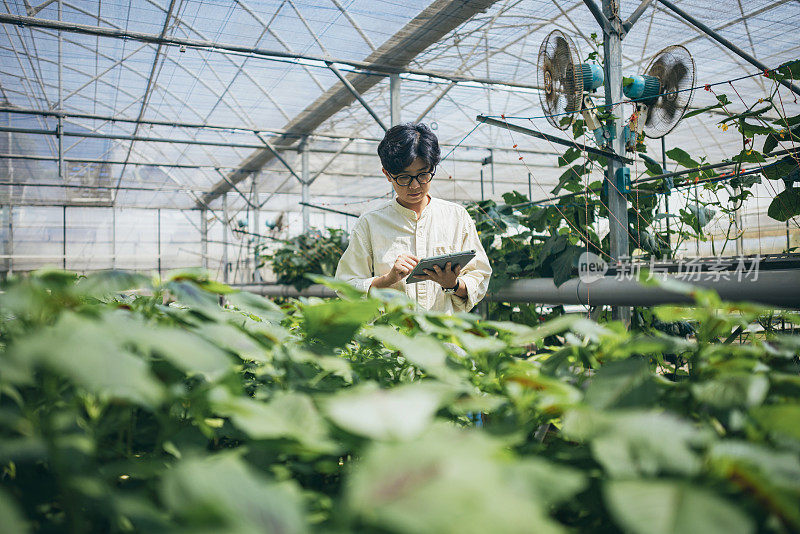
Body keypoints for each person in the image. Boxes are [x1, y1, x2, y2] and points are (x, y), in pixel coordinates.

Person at [335, 123, 491, 313]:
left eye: (423, 175)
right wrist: (388, 279)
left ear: (432, 168)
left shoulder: (456, 217)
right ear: (387, 174)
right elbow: (345, 287)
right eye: (404, 177)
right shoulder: (370, 223)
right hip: (391, 339)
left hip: (444, 338)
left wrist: (453, 284)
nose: (415, 186)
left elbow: (480, 276)